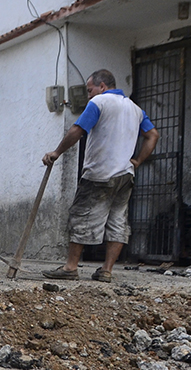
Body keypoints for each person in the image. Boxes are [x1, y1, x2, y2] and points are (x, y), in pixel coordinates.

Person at [41, 69, 160, 283]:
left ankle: (70, 267)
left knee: (81, 215)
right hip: (125, 174)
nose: (89, 95)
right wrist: (138, 161)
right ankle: (106, 270)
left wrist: (56, 152)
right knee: (117, 220)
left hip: (100, 173)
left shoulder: (99, 103)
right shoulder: (136, 109)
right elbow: (152, 135)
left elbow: (77, 130)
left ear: (102, 86)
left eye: (90, 90)